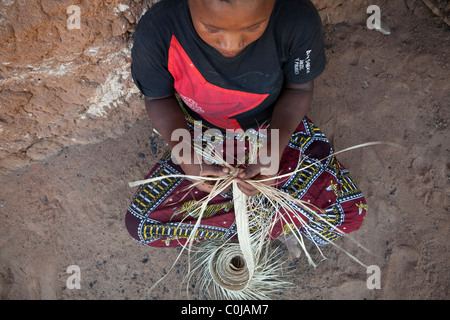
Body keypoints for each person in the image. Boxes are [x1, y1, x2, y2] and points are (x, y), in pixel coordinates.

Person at [125, 0, 367, 257]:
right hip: (202, 138)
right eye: (212, 28)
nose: (232, 44)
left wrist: (274, 148)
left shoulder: (297, 20)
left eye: (253, 27)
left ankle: (242, 222)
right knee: (142, 225)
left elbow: (299, 89)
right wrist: (186, 156)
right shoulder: (157, 30)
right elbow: (158, 98)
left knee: (348, 215)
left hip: (274, 129)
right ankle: (268, 221)